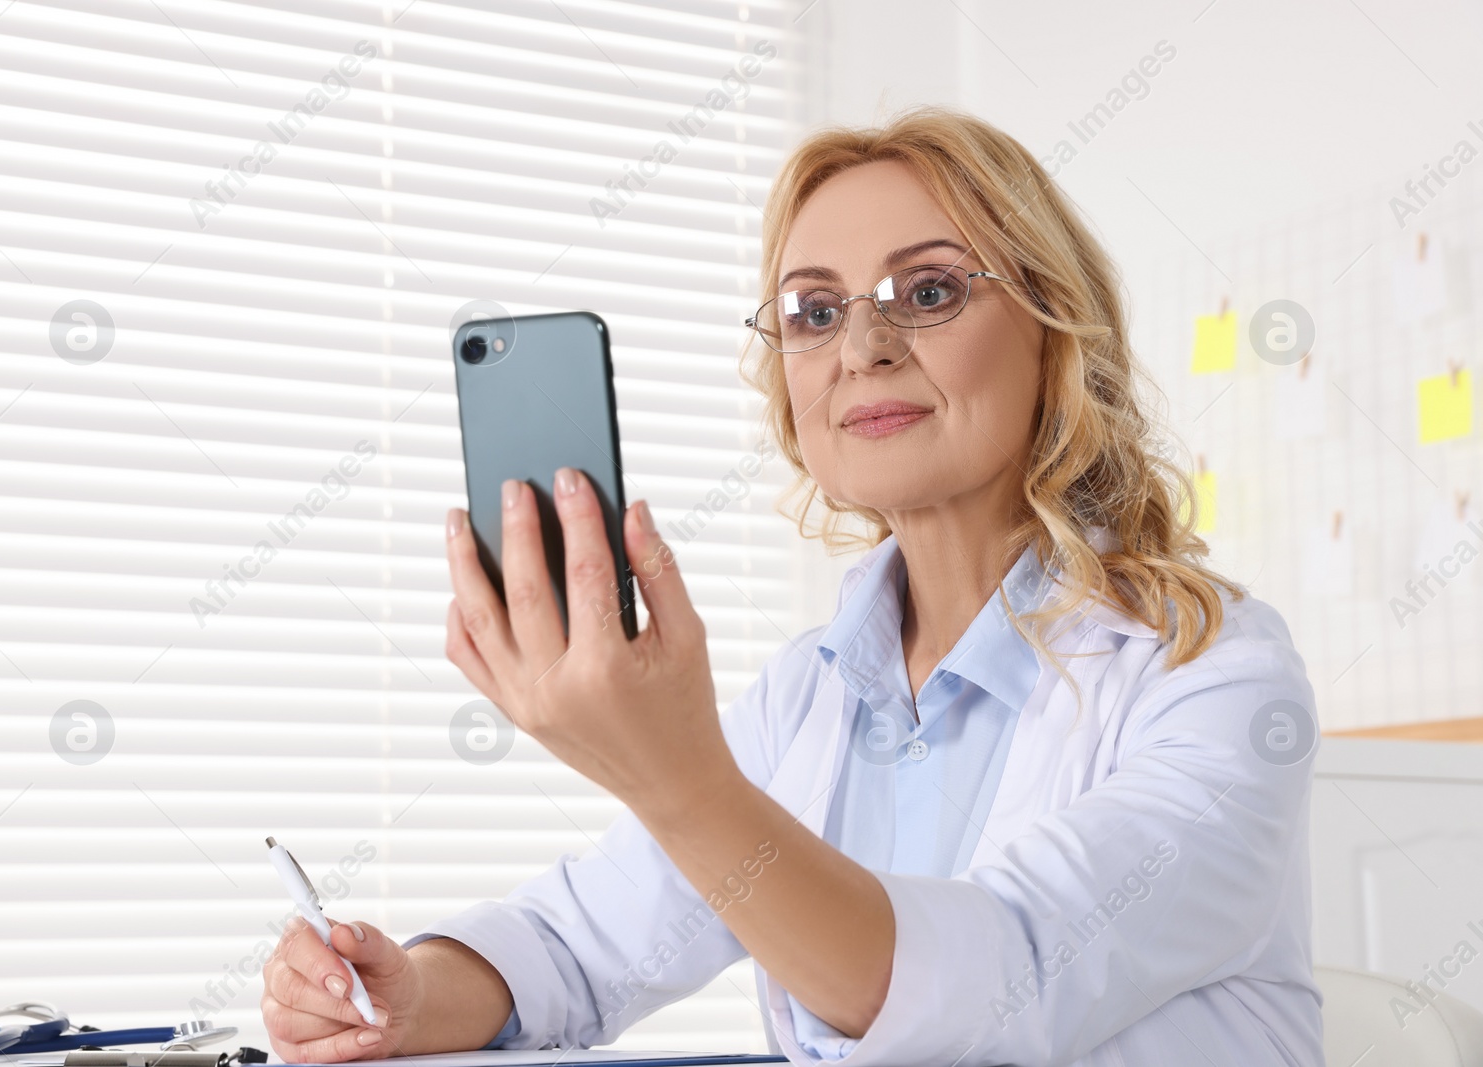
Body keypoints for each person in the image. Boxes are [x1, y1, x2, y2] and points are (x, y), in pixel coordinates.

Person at [259, 107, 1324, 1067]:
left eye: (931, 290)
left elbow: (1003, 979)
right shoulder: (809, 695)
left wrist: (677, 779)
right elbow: (578, 948)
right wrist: (403, 991)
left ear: (1055, 330)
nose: (862, 345)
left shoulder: (1215, 672)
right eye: (812, 311)